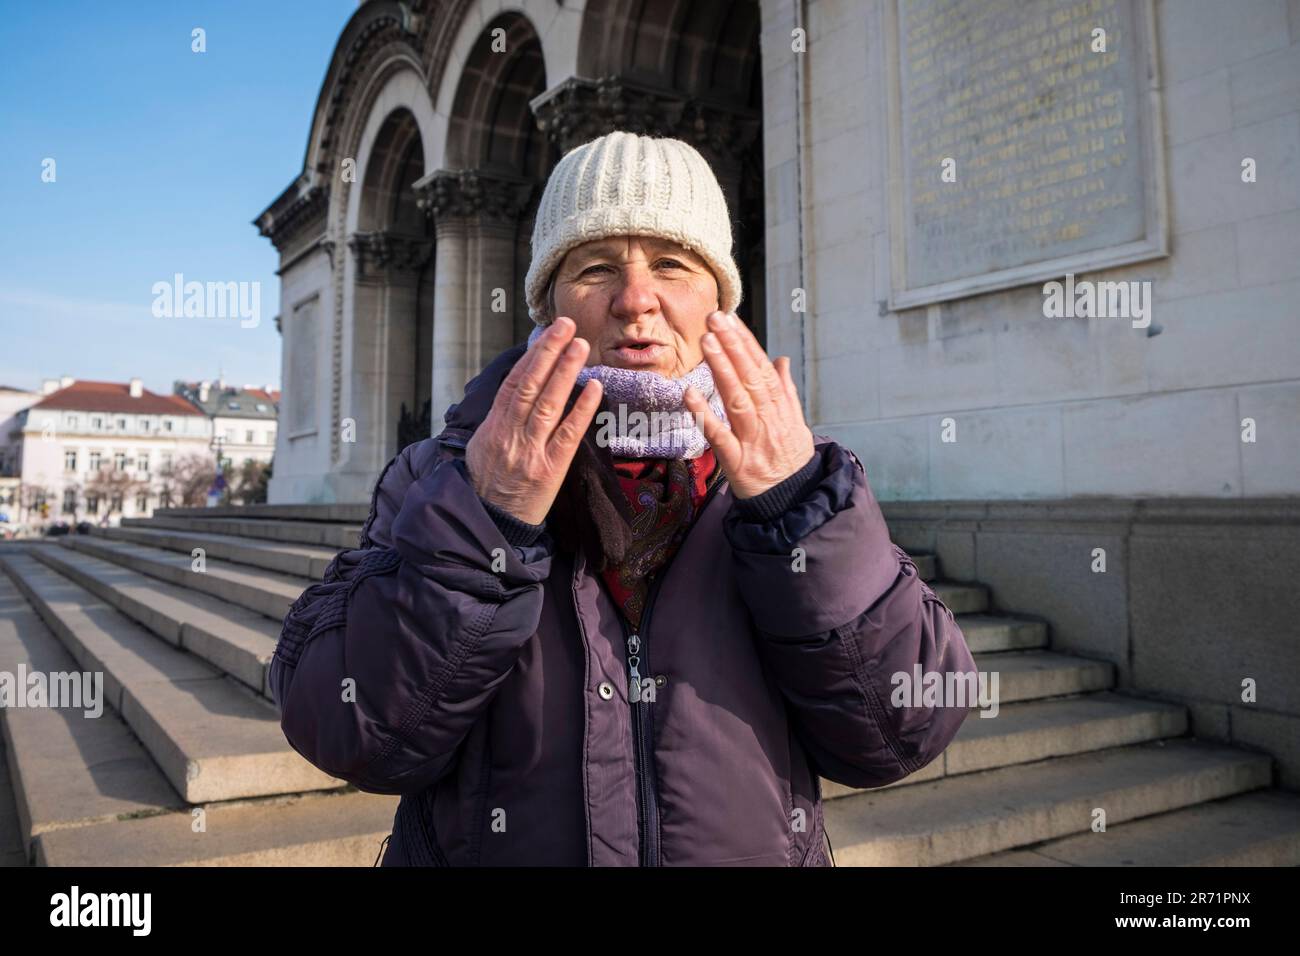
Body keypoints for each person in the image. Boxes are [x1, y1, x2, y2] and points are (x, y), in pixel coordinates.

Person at [270, 130, 978, 866]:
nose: (636, 300)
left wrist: (800, 516)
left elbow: (902, 731)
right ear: (548, 306)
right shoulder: (440, 478)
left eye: (672, 264)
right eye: (596, 267)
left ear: (719, 301)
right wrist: (484, 521)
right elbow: (355, 735)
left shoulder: (796, 485)